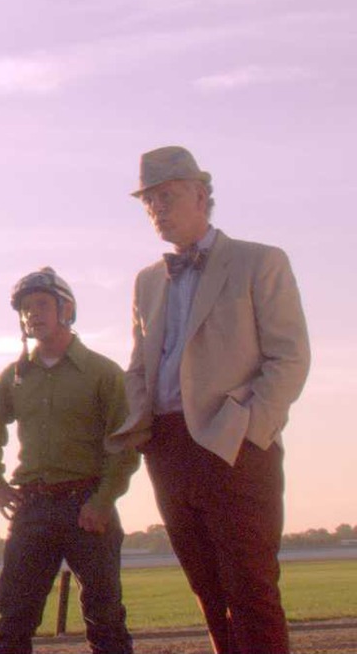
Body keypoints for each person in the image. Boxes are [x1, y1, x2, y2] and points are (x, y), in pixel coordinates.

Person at [107, 146, 310, 653]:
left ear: (200, 194)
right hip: (168, 448)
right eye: (149, 201)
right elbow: (139, 364)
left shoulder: (259, 261)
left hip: (235, 442)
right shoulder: (148, 280)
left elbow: (290, 359)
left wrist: (247, 427)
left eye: (167, 196)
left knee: (252, 588)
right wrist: (143, 425)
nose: (157, 208)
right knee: (206, 588)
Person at [0, 267, 138, 654]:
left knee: (105, 618)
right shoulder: (14, 377)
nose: (33, 314)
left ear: (67, 309)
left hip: (88, 507)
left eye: (42, 304)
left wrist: (102, 501)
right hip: (33, 508)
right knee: (13, 619)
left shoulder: (102, 372)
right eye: (26, 308)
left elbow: (125, 444)